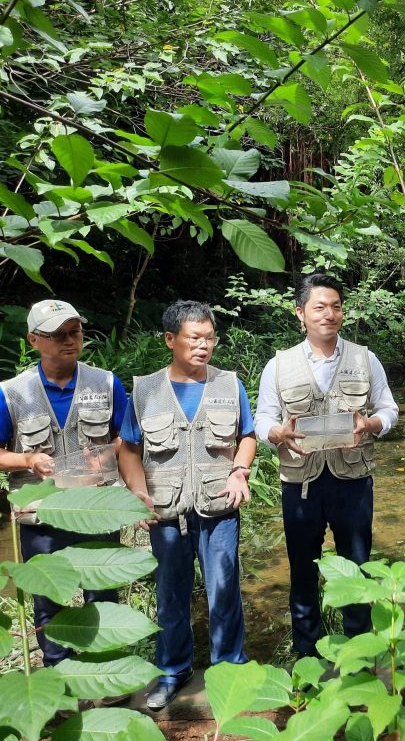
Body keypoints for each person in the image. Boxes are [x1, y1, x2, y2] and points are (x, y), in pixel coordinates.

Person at [120, 301, 255, 710]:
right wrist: (137, 493)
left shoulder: (229, 385)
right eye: (194, 337)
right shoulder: (146, 390)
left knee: (224, 592)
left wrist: (239, 471)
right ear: (170, 339)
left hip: (219, 508)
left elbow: (247, 436)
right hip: (165, 513)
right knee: (170, 595)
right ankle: (172, 671)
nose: (203, 346)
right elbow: (129, 449)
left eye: (210, 338)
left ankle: (230, 671)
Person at [254, 273, 398, 656]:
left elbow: (389, 409)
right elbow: (262, 418)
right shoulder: (279, 365)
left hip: (353, 481)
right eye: (319, 307)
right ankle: (309, 659)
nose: (329, 314)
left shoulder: (365, 359)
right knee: (303, 573)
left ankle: (360, 656)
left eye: (336, 307)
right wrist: (277, 433)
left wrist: (371, 424)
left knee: (357, 569)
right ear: (300, 313)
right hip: (300, 485)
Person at [0, 300, 127, 666]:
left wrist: (107, 455)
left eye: (75, 333)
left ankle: (105, 669)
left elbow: (127, 439)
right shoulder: (12, 393)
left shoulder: (106, 383)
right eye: (58, 335)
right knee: (48, 598)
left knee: (102, 594)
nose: (69, 341)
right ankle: (58, 670)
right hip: (41, 514)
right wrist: (27, 460)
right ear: (34, 340)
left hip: (98, 509)